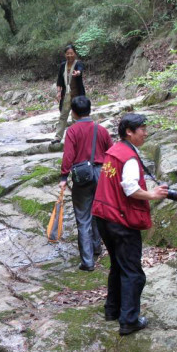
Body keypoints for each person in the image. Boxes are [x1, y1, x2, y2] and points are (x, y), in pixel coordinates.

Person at [92, 113, 169, 335]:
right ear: (129, 132)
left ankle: (112, 310)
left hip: (103, 217)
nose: (145, 132)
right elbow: (130, 188)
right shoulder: (129, 158)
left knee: (118, 264)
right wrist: (153, 195)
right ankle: (129, 320)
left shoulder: (113, 151)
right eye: (141, 129)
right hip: (120, 220)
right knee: (133, 272)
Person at [59, 95, 112, 271]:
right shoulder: (101, 130)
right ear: (90, 109)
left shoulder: (72, 131)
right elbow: (111, 153)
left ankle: (88, 262)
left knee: (83, 218)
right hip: (101, 174)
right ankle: (97, 247)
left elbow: (68, 156)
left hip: (82, 176)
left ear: (73, 113)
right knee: (98, 213)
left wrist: (63, 178)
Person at [54, 45, 85, 141]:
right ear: (65, 55)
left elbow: (80, 69)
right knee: (63, 115)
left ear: (75, 54)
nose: (69, 55)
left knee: (76, 116)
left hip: (77, 94)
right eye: (67, 53)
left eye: (71, 53)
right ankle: (58, 137)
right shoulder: (63, 65)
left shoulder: (78, 63)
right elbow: (59, 79)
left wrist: (78, 73)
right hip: (66, 95)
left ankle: (77, 137)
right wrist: (58, 92)